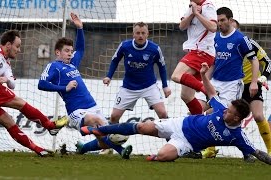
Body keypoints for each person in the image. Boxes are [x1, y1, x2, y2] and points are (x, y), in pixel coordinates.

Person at [80, 62, 271, 165]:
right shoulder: (221, 108)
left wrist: (252, 158)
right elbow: (211, 92)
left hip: (186, 143)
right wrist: (203, 75)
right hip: (179, 124)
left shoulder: (237, 136)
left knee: (163, 156)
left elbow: (255, 153)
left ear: (237, 118)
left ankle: (157, 156)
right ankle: (101, 130)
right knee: (141, 127)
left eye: (230, 112)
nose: (224, 112)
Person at [38, 13, 133, 159]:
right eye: (66, 51)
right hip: (77, 111)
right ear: (58, 52)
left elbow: (81, 49)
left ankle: (83, 148)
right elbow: (41, 84)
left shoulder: (72, 63)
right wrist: (64, 88)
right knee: (98, 122)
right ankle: (121, 151)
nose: (70, 54)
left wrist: (80, 28)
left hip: (92, 106)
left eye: (71, 51)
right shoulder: (54, 66)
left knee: (104, 141)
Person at [0, 30, 68, 157]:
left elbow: (12, 84)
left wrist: (6, 79)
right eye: (17, 46)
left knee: (9, 122)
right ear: (8, 45)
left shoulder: (6, 64)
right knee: (19, 103)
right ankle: (50, 125)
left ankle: (38, 149)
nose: (18, 50)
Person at [196, 7, 260, 158]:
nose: (219, 24)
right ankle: (197, 148)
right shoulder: (215, 38)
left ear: (230, 20)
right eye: (217, 21)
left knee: (226, 118)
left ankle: (246, 150)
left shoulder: (240, 39)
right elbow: (213, 62)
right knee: (196, 109)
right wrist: (204, 78)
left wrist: (254, 82)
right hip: (214, 82)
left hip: (232, 84)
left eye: (223, 20)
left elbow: (255, 60)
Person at [103, 22, 171, 123]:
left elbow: (162, 66)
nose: (140, 36)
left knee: (163, 114)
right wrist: (109, 76)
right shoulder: (125, 46)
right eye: (138, 33)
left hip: (149, 87)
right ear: (133, 34)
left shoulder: (154, 48)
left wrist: (165, 86)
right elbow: (115, 60)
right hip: (128, 88)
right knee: (114, 116)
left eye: (143, 33)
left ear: (147, 34)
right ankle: (111, 138)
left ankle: (170, 138)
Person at [231, 19, 271, 155]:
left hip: (251, 84)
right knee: (222, 117)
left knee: (258, 116)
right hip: (232, 85)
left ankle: (270, 150)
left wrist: (262, 78)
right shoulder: (222, 43)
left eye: (235, 30)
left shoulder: (249, 43)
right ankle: (211, 150)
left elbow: (267, 62)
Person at [171, 0, 217, 115]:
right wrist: (192, 13)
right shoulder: (192, 6)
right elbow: (182, 26)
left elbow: (213, 27)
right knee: (186, 96)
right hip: (195, 51)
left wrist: (198, 14)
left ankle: (206, 90)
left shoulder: (208, 6)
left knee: (176, 76)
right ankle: (198, 119)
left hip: (202, 51)